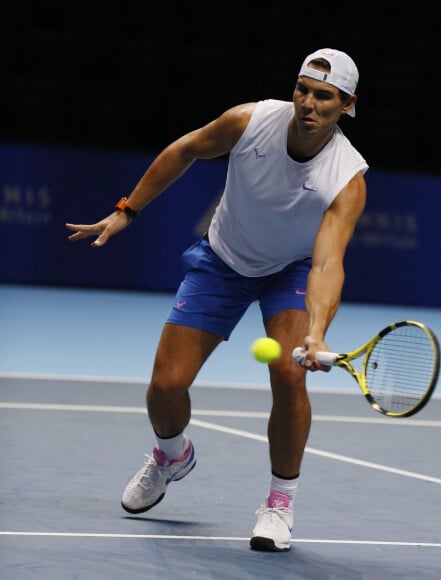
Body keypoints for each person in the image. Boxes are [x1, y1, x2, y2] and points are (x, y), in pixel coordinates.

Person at [65, 47, 368, 552]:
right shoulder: (250, 121)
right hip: (223, 258)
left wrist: (316, 333)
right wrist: (128, 210)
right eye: (303, 90)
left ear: (347, 105)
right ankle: (171, 456)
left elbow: (326, 263)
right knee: (165, 387)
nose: (309, 104)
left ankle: (279, 503)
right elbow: (185, 149)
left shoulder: (347, 177)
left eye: (324, 96)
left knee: (290, 375)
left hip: (289, 271)